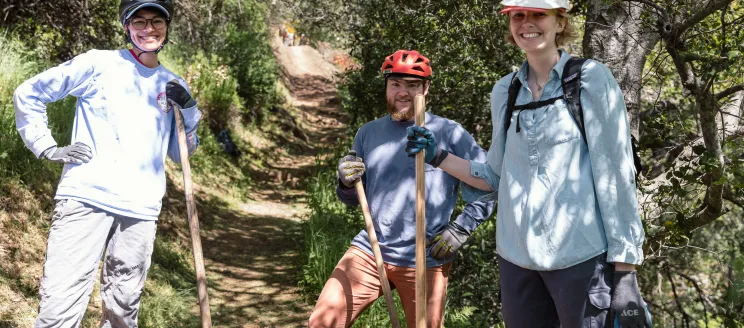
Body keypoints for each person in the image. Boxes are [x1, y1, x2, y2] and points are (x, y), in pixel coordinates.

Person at [406, 0, 652, 327]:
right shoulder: (504, 91)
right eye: (518, 15)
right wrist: (438, 156)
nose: (527, 23)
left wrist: (625, 272)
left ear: (559, 22)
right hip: (517, 262)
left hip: (580, 258)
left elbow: (616, 176)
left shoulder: (591, 79)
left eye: (539, 14)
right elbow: (494, 176)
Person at [13, 0, 202, 326]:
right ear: (126, 26)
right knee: (60, 306)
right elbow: (29, 93)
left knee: (122, 313)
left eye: (157, 21)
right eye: (139, 21)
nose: (149, 29)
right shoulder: (98, 63)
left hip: (140, 212)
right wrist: (47, 147)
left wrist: (189, 112)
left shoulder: (173, 84)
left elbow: (181, 152)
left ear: (167, 27)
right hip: (86, 199)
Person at [308, 50, 495, 328]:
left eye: (412, 85)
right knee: (322, 322)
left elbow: (492, 183)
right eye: (396, 84)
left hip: (426, 256)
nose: (403, 92)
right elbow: (348, 198)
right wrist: (346, 181)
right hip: (372, 249)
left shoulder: (449, 132)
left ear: (426, 88)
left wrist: (461, 229)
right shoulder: (368, 134)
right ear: (386, 86)